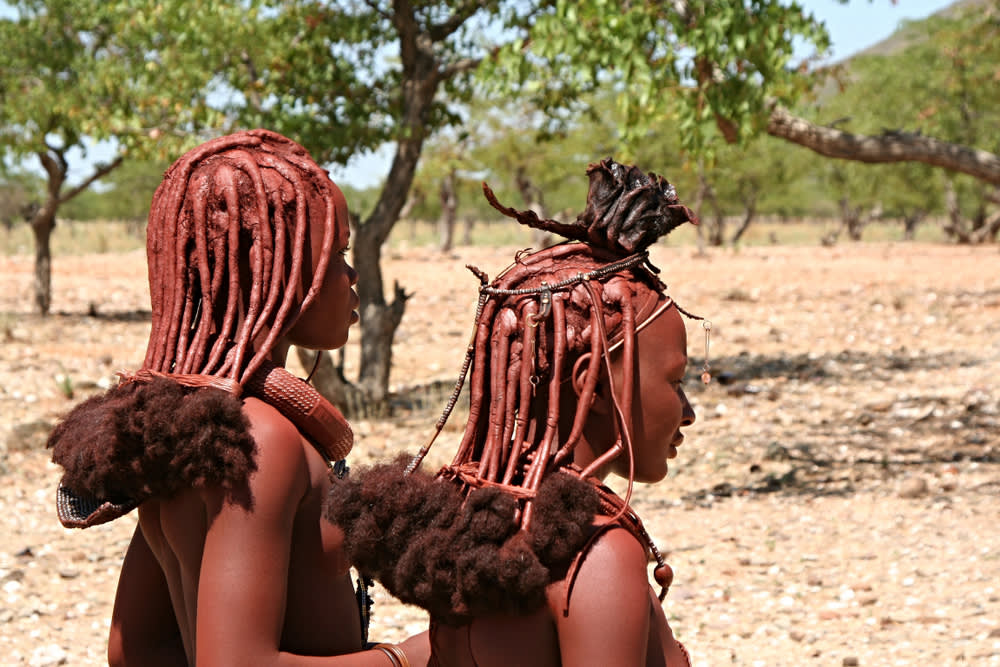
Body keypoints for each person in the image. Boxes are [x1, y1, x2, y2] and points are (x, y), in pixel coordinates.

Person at [47, 129, 428, 666]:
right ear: (270, 268)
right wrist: (408, 657)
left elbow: (136, 650)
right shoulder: (261, 441)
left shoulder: (189, 430)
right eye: (336, 253)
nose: (351, 273)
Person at [326, 157, 708, 666]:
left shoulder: (481, 524)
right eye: (675, 382)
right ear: (591, 386)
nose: (688, 413)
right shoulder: (594, 556)